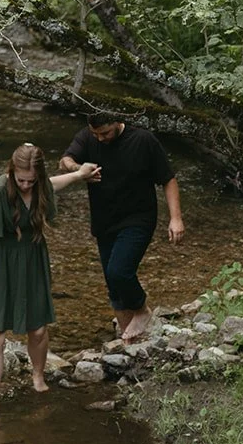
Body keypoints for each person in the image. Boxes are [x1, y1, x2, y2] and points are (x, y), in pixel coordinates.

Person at [0, 142, 101, 417]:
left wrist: (77, 175)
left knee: (37, 329)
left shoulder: (39, 185)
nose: (25, 185)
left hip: (32, 259)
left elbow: (52, 183)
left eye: (31, 180)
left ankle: (38, 377)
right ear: (11, 171)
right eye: (20, 180)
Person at [58, 110, 184, 343]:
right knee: (112, 283)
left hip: (138, 218)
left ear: (117, 122)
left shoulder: (143, 140)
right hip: (104, 221)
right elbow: (65, 160)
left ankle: (142, 311)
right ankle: (127, 338)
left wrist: (175, 218)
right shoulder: (88, 137)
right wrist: (77, 169)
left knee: (119, 271)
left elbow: (168, 178)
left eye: (105, 133)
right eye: (96, 134)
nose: (100, 138)